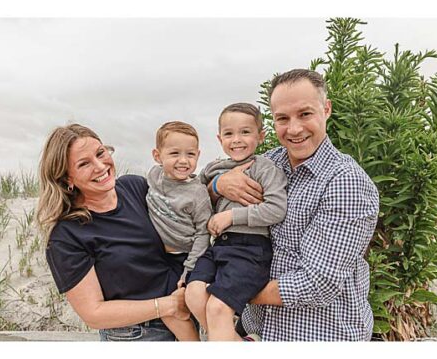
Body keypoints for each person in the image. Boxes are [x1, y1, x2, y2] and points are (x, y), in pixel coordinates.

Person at [211, 69, 380, 341]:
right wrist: (217, 184)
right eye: (282, 118)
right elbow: (211, 199)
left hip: (318, 335)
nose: (294, 129)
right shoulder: (269, 162)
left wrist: (227, 287)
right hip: (261, 331)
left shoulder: (346, 183)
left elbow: (317, 284)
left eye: (305, 114)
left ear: (326, 109)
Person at [38, 124, 191, 341]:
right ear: (67, 179)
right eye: (84, 164)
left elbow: (186, 202)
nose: (100, 166)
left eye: (101, 153)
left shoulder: (135, 187)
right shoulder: (66, 237)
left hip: (188, 319)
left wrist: (217, 184)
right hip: (137, 335)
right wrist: (167, 306)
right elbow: (94, 314)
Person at [186, 103, 288, 341]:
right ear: (219, 138)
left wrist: (231, 216)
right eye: (229, 134)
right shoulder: (212, 169)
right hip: (219, 246)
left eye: (245, 132)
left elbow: (276, 209)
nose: (237, 140)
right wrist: (215, 185)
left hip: (250, 249)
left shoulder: (265, 168)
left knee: (218, 308)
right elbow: (196, 199)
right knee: (193, 294)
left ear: (261, 136)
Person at [145, 121, 211, 340]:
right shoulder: (154, 176)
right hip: (161, 257)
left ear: (198, 155)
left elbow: (204, 233)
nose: (183, 161)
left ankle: (219, 334)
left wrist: (188, 269)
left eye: (190, 154)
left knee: (187, 301)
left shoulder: (197, 193)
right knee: (170, 310)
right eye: (174, 153)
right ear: (157, 155)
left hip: (189, 255)